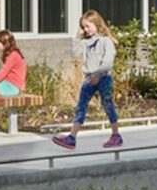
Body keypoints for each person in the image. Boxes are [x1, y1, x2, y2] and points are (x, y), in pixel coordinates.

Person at [52, 11, 124, 150]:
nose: (85, 29)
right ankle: (72, 137)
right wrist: (77, 38)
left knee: (107, 105)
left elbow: (107, 62)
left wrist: (97, 75)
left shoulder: (105, 41)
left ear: (96, 24)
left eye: (88, 26)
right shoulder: (85, 42)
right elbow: (75, 53)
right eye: (83, 27)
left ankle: (116, 135)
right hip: (89, 78)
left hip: (103, 77)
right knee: (81, 106)